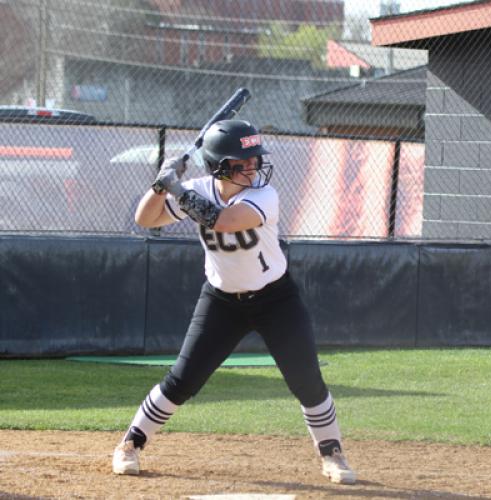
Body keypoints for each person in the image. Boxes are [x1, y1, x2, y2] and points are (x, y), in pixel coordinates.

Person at [111, 119, 356, 485]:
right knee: (182, 379)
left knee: (306, 379)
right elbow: (144, 218)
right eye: (243, 163)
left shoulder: (263, 195)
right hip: (221, 300)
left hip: (276, 299)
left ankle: (332, 453)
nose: (253, 167)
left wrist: (176, 188)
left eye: (255, 160)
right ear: (219, 166)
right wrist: (161, 185)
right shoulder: (195, 189)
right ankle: (130, 443)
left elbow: (222, 220)